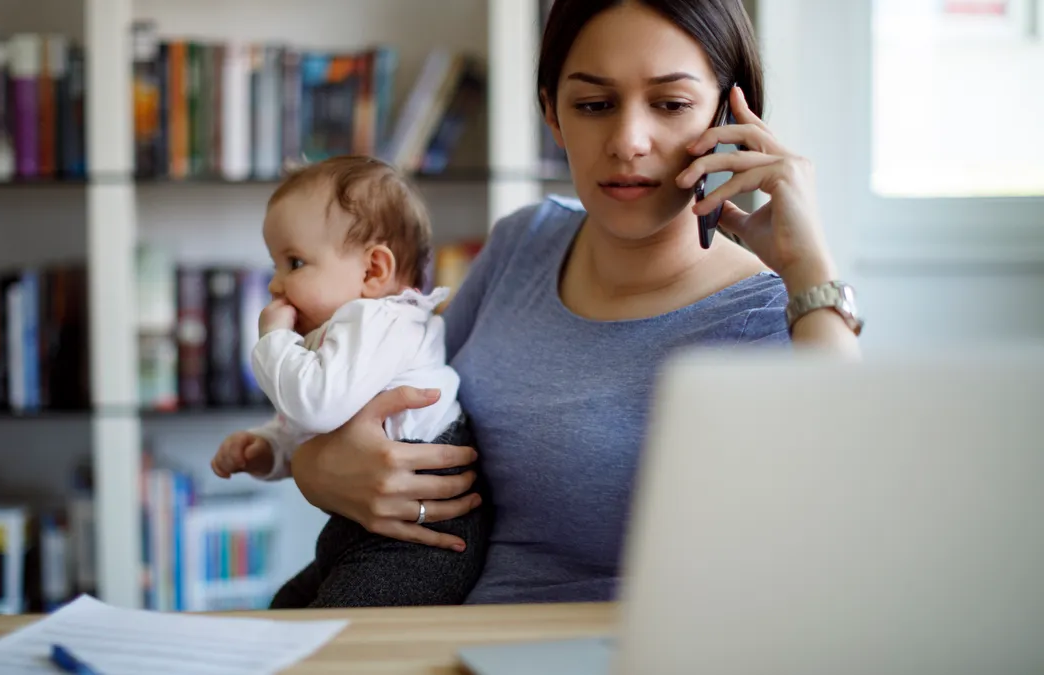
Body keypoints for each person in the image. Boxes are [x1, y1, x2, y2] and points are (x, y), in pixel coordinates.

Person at [217, 0, 863, 605]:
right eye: (593, 104)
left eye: (669, 103)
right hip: (450, 640)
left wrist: (810, 269)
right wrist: (311, 467)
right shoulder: (522, 242)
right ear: (552, 113)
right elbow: (389, 391)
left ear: (728, 118)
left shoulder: (780, 314)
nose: (629, 139)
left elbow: (845, 527)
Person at [209, 155, 491, 608]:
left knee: (338, 639)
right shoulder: (343, 331)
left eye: (294, 262)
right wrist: (268, 448)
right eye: (276, 265)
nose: (275, 285)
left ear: (373, 271)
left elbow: (316, 405)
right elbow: (314, 426)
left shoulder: (381, 319)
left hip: (418, 542)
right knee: (285, 608)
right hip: (363, 526)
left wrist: (273, 338)